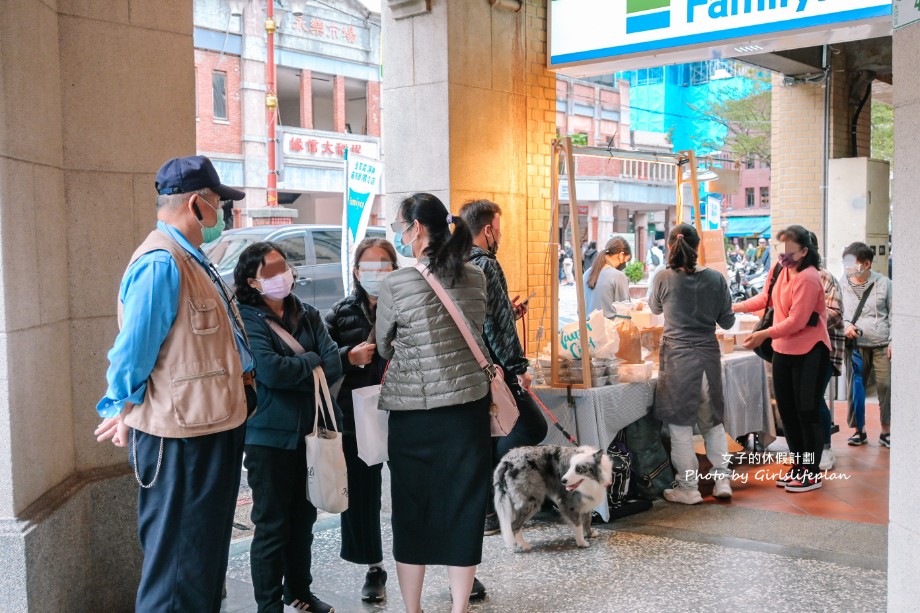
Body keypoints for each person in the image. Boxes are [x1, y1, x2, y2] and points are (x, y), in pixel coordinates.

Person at [94, 155, 254, 611]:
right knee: (178, 570)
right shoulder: (162, 262)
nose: (222, 211)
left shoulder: (191, 257)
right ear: (196, 203)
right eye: (219, 202)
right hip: (181, 439)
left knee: (200, 561)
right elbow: (132, 349)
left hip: (207, 426)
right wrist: (121, 403)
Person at [379, 193, 492, 613]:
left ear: (417, 229)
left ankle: (413, 609)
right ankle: (459, 608)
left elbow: (385, 346)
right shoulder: (476, 277)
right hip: (467, 414)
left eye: (400, 226)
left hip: (414, 416)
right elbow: (476, 334)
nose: (399, 234)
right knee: (463, 507)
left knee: (412, 510)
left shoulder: (395, 284)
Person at [236, 242, 341, 613]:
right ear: (253, 280)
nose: (284, 273)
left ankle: (299, 592)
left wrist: (310, 365)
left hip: (310, 434)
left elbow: (334, 365)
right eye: (272, 269)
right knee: (271, 526)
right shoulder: (247, 319)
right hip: (269, 437)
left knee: (303, 520)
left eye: (285, 265)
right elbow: (269, 371)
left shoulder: (308, 313)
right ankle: (269, 605)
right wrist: (310, 363)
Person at [459, 199, 549, 537]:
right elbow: (496, 325)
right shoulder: (486, 265)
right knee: (530, 426)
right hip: (493, 369)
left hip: (464, 369)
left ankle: (487, 511)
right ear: (487, 230)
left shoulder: (452, 263)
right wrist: (518, 367)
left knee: (482, 438)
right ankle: (496, 503)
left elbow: (480, 318)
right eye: (499, 229)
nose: (500, 236)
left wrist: (508, 312)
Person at [323, 237, 397, 604]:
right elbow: (320, 359)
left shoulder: (407, 306)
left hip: (404, 409)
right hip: (357, 415)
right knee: (363, 494)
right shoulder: (339, 313)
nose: (376, 274)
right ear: (355, 271)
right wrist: (346, 356)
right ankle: (373, 566)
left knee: (414, 489)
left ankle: (443, 561)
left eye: (384, 266)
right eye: (369, 267)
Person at [734, 226, 830, 492]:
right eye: (781, 249)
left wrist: (763, 333)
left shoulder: (809, 278)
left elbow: (797, 321)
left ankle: (811, 471)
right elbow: (766, 298)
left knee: (806, 412)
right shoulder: (779, 270)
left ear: (804, 252)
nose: (783, 256)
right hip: (783, 351)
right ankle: (799, 465)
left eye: (789, 251)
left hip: (810, 351)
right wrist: (733, 306)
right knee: (787, 412)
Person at [649, 224, 735, 504]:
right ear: (698, 247)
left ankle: (688, 488)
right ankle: (722, 480)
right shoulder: (716, 278)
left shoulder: (663, 277)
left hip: (677, 360)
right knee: (712, 423)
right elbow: (728, 321)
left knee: (680, 427)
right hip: (708, 357)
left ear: (669, 246)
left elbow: (654, 308)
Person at [839, 242, 892, 448]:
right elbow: (836, 312)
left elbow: (894, 312)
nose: (849, 268)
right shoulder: (841, 283)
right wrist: (845, 326)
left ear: (867, 264)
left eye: (853, 264)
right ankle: (858, 430)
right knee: (856, 388)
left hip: (881, 343)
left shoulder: (885, 283)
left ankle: (886, 430)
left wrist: (894, 340)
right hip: (855, 345)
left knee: (885, 386)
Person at [815, 241, 846, 472]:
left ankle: (825, 449)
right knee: (802, 401)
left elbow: (834, 315)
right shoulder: (787, 276)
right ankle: (808, 452)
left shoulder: (825, 277)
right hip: (796, 350)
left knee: (815, 398)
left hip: (824, 350)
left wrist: (802, 318)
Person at [583, 236, 632, 318]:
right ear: (621, 255)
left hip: (587, 328)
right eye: (625, 261)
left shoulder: (586, 274)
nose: (624, 265)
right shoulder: (618, 276)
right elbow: (625, 311)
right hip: (609, 329)